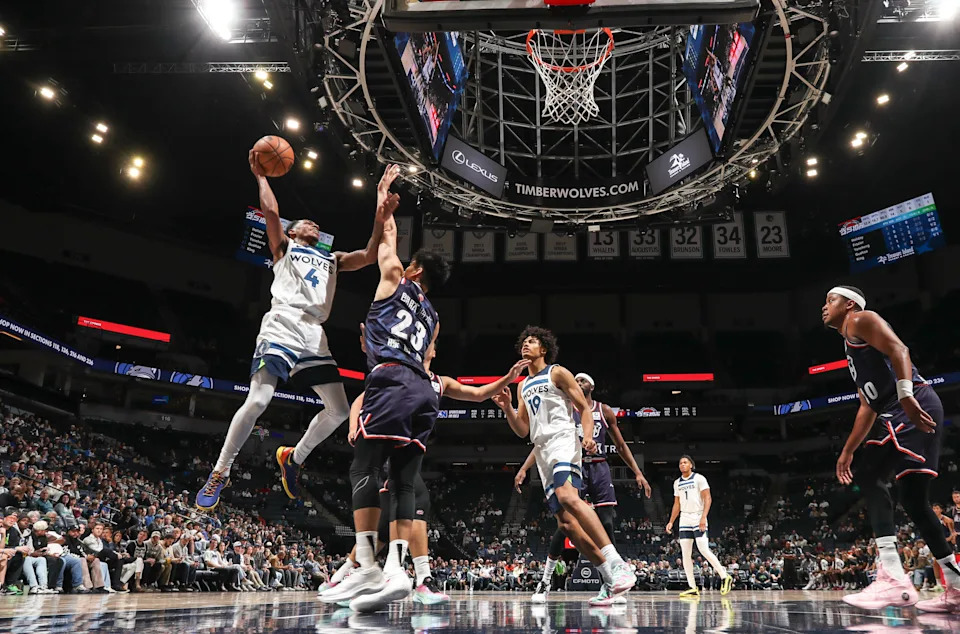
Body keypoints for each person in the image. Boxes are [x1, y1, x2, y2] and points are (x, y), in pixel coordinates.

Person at [196, 160, 403, 511]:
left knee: (338, 410)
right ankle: (220, 470)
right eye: (306, 222)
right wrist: (261, 176)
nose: (314, 223)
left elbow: (369, 255)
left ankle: (294, 458)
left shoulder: (333, 258)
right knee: (259, 401)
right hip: (282, 322)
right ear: (293, 233)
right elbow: (272, 212)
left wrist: (380, 210)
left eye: (315, 223)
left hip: (313, 333)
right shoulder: (284, 250)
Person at [324, 333, 527, 607]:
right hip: (382, 447)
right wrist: (352, 427)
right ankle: (413, 578)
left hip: (406, 451)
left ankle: (357, 574)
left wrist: (508, 378)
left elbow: (479, 394)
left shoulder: (438, 382)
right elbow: (362, 398)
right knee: (412, 500)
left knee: (393, 520)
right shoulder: (401, 371)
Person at [321, 178, 450, 610]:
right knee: (404, 480)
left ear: (414, 271)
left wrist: (384, 204)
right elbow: (427, 355)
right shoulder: (433, 318)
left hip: (391, 380)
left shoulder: (395, 276)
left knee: (364, 465)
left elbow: (388, 239)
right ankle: (396, 567)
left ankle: (366, 564)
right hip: (423, 390)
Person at [823, 286, 956, 612]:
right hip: (899, 407)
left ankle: (892, 577)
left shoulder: (860, 319)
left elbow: (900, 348)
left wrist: (907, 395)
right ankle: (955, 584)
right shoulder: (851, 346)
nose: (824, 307)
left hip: (911, 403)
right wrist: (848, 450)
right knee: (912, 499)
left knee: (872, 474)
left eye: (830, 300)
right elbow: (867, 407)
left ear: (849, 304)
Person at [492, 326, 636, 606]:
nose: (526, 344)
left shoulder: (557, 372)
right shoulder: (522, 385)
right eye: (524, 341)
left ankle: (618, 563)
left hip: (563, 440)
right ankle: (609, 580)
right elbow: (522, 429)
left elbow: (583, 407)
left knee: (568, 496)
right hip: (542, 449)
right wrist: (508, 408)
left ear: (543, 349)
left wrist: (586, 436)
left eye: (532, 341)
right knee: (567, 525)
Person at [515, 371, 651, 603]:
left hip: (598, 469)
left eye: (583, 380)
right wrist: (525, 467)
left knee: (606, 523)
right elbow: (543, 441)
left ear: (592, 386)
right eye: (576, 380)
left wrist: (638, 472)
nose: (578, 383)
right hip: (573, 463)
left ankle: (611, 583)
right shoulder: (566, 406)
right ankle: (545, 581)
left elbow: (620, 444)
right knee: (565, 525)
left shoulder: (603, 410)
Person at [665, 455, 733, 597]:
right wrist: (671, 521)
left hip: (698, 515)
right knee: (685, 554)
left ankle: (725, 576)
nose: (682, 465)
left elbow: (707, 498)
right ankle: (692, 587)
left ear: (691, 465)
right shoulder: (677, 483)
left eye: (685, 462)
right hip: (684, 517)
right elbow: (676, 504)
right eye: (680, 463)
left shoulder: (699, 478)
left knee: (703, 549)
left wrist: (703, 516)